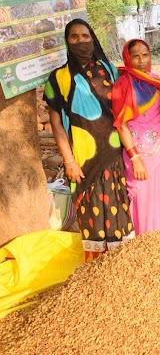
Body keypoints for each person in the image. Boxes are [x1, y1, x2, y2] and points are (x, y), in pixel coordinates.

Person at [44, 19, 133, 261]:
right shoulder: (58, 79)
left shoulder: (109, 70)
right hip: (83, 159)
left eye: (85, 36)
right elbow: (56, 125)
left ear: (92, 38)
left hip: (114, 155)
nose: (81, 41)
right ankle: (95, 272)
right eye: (74, 37)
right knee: (91, 213)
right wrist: (69, 161)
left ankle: (120, 268)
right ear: (67, 41)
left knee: (119, 211)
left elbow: (124, 112)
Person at [111, 39, 160, 234]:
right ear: (127, 58)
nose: (141, 60)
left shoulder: (155, 81)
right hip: (140, 155)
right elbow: (121, 125)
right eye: (136, 56)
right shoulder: (122, 85)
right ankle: (146, 247)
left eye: (145, 55)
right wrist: (135, 157)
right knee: (144, 202)